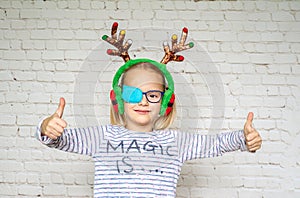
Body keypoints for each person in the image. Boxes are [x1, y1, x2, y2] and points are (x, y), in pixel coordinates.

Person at [37, 58, 262, 197]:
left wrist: (244, 138)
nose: (143, 102)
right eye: (133, 94)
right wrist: (47, 128)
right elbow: (59, 139)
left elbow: (216, 143)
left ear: (165, 102)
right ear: (119, 99)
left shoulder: (175, 142)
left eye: (153, 95)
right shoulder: (102, 137)